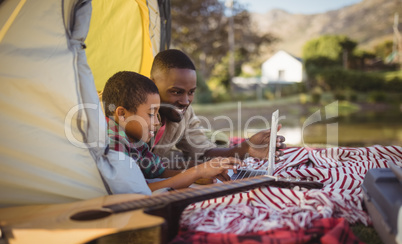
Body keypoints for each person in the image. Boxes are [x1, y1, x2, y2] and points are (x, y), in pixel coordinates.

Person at [102, 71, 241, 191]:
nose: (157, 122)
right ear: (121, 114)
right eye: (151, 114)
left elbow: (158, 172)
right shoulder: (113, 142)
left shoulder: (134, 141)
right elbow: (138, 191)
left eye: (157, 114)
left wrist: (200, 172)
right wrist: (196, 173)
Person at [150, 49, 286, 165]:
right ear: (152, 84)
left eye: (191, 92)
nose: (186, 101)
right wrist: (194, 171)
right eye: (176, 92)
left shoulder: (184, 113)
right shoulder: (135, 113)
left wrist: (246, 148)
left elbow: (202, 152)